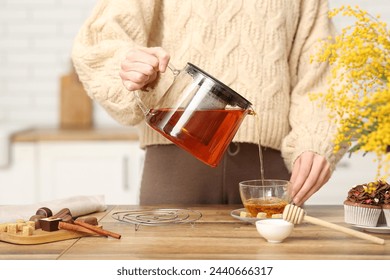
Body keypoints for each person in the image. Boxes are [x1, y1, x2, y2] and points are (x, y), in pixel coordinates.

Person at [71, 0, 345, 206]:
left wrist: (316, 139)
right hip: (175, 164)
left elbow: (321, 67)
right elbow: (100, 40)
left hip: (270, 173)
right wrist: (129, 62)